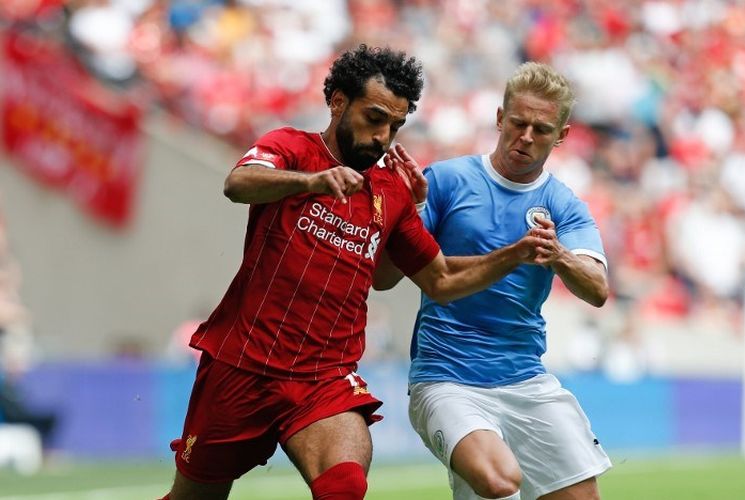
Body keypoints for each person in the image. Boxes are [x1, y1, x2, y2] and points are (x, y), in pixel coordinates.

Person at [160, 45, 554, 500]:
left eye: (396, 126)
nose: (383, 137)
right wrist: (311, 182)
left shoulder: (392, 190)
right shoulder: (292, 148)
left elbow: (436, 279)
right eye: (374, 119)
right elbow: (237, 184)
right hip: (241, 365)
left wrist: (515, 254)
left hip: (323, 377)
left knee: (344, 486)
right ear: (338, 102)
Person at [375, 62, 612, 500]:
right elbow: (382, 279)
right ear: (500, 118)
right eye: (518, 123)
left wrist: (557, 253)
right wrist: (405, 217)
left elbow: (597, 289)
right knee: (500, 481)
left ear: (560, 136)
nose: (525, 137)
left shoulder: (562, 204)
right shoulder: (446, 181)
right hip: (446, 377)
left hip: (526, 379)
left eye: (541, 129)